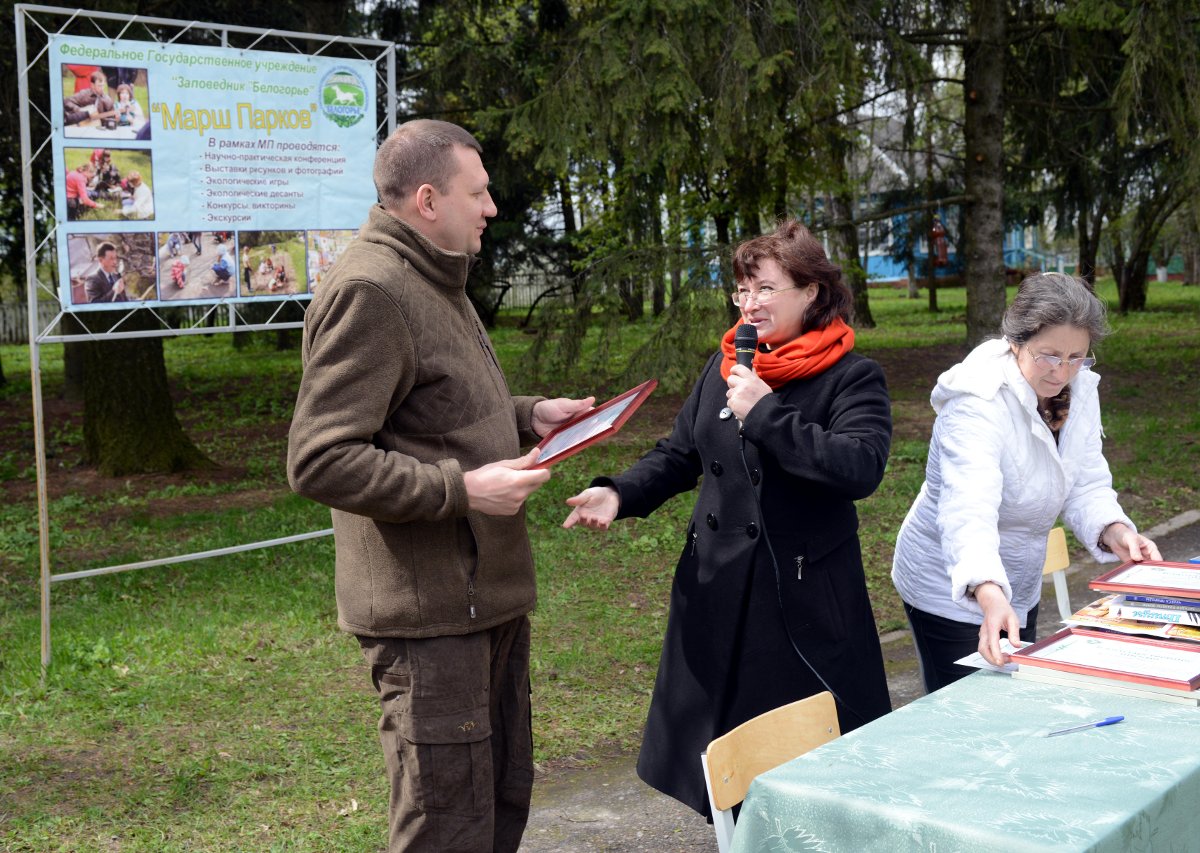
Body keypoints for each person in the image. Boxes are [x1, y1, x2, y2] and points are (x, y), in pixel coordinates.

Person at [286, 118, 593, 853]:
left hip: (480, 602)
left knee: (496, 807)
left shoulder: (436, 273)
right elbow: (320, 457)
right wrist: (461, 490)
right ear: (428, 199)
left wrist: (529, 414)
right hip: (429, 622)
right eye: (478, 192)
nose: (491, 208)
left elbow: (434, 410)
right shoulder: (373, 289)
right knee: (447, 829)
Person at [562, 219, 894, 818]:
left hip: (799, 605)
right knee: (726, 766)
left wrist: (767, 415)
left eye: (765, 289)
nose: (750, 304)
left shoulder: (852, 376)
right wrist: (619, 494)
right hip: (717, 597)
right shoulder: (725, 367)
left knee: (802, 774)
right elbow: (679, 454)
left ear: (811, 292)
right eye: (742, 290)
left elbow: (861, 467)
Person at [891, 272, 1161, 693]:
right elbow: (968, 508)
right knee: (965, 711)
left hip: (1018, 578)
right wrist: (988, 591)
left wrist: (1116, 530)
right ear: (1016, 340)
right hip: (950, 581)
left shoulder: (1080, 388)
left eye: (1077, 357)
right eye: (1049, 356)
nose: (1061, 373)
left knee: (1012, 699)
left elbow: (1085, 478)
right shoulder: (975, 402)